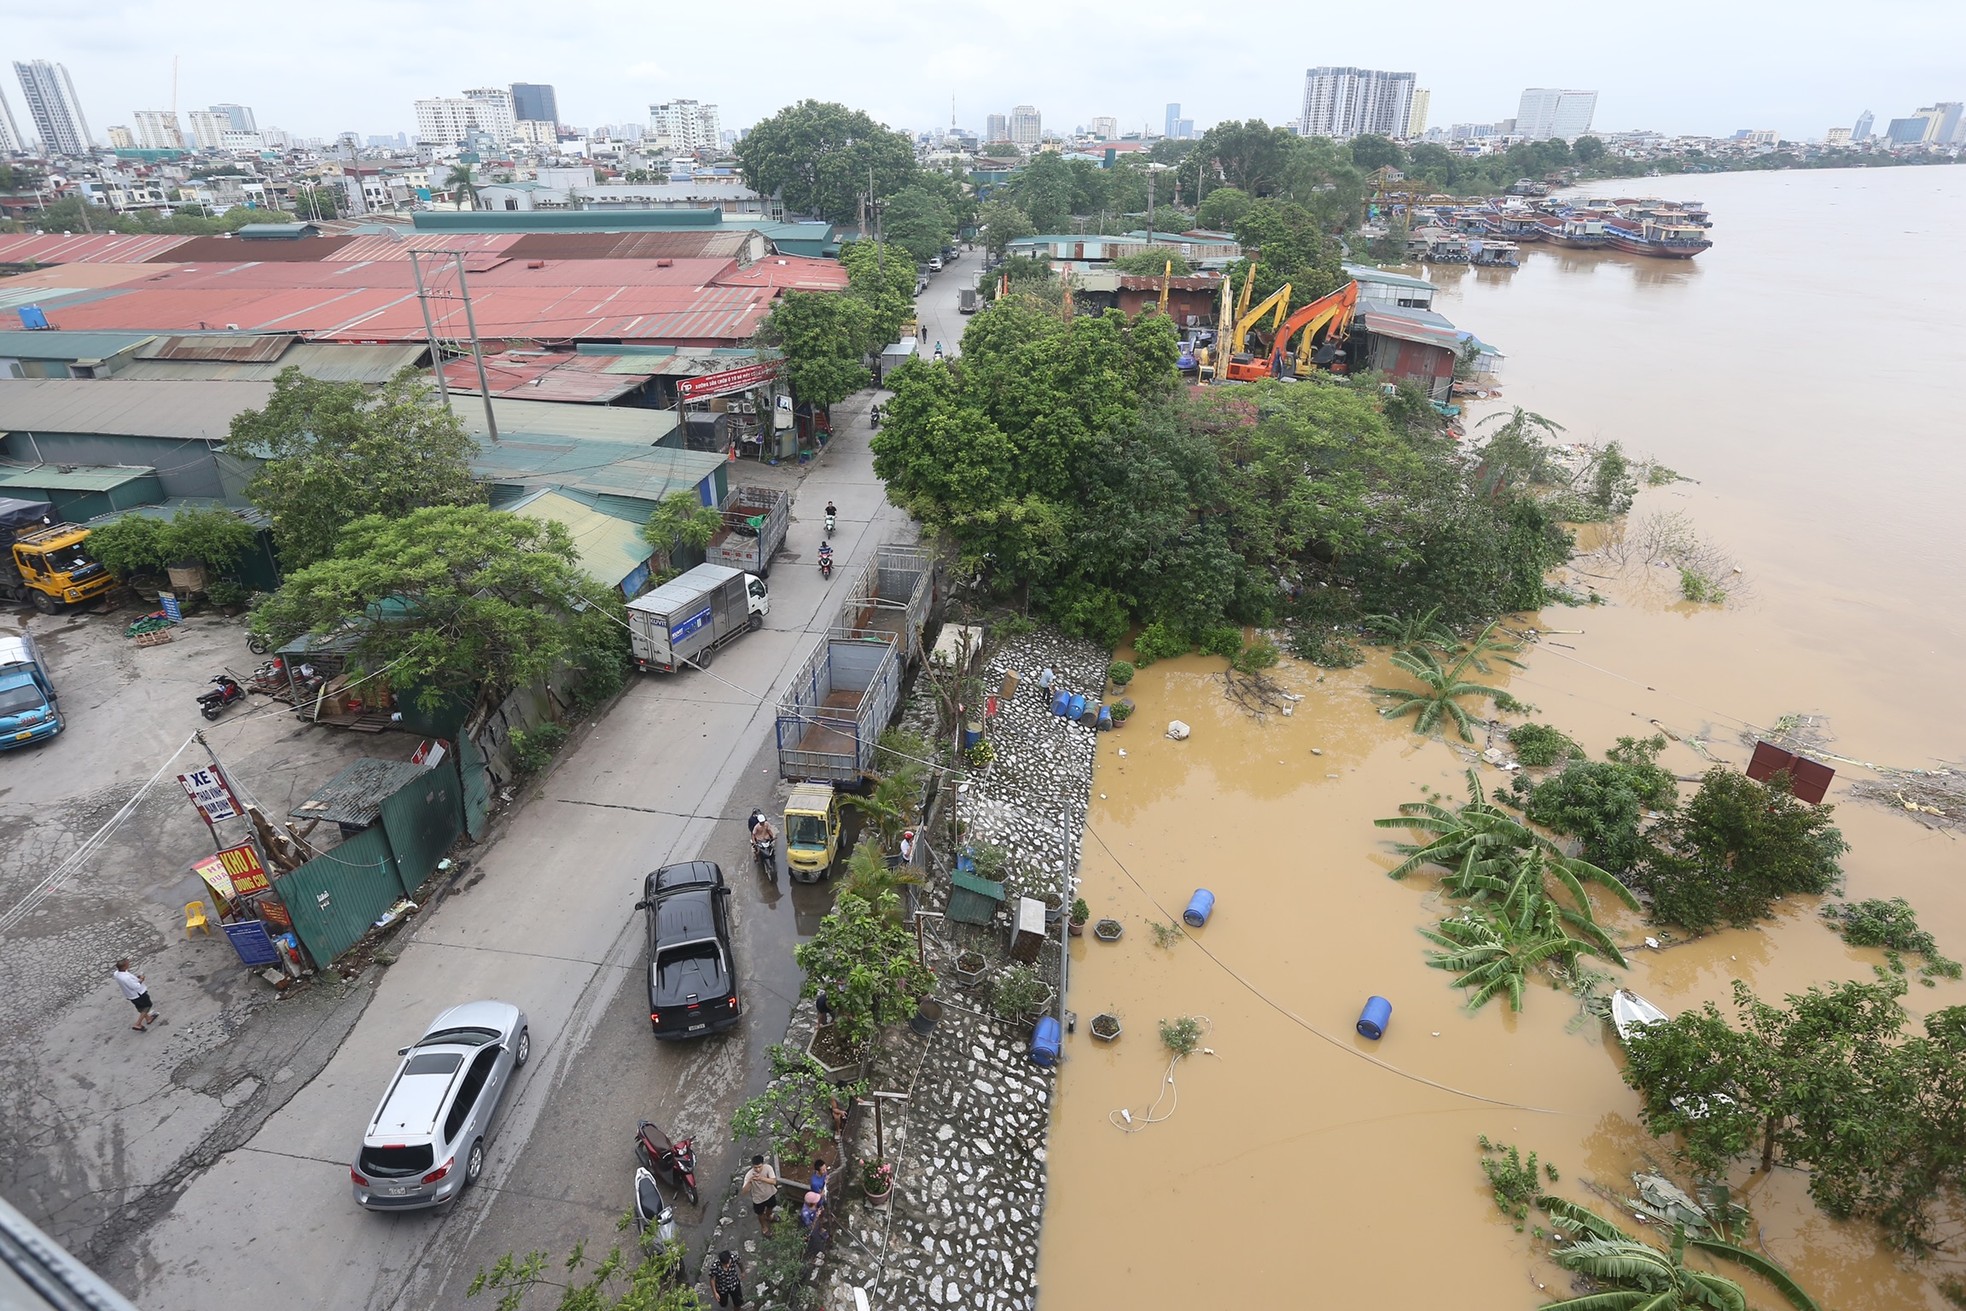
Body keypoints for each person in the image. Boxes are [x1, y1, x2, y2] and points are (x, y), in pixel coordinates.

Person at [113, 959, 158, 1032]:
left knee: (140, 1007)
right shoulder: (126, 978)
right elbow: (135, 986)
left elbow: (130, 982)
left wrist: (136, 978)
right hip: (138, 994)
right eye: (127, 964)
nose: (129, 964)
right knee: (147, 1005)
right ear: (124, 967)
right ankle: (138, 1024)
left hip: (129, 995)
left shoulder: (116, 974)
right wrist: (141, 979)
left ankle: (148, 1018)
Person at [741, 1155, 780, 1234]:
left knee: (770, 1207)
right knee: (760, 1214)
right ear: (752, 1166)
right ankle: (764, 1227)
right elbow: (744, 1192)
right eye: (755, 1167)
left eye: (759, 1167)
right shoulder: (749, 1175)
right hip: (758, 1199)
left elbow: (774, 1181)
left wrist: (761, 1178)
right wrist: (750, 1181)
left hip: (770, 1194)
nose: (758, 1169)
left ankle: (769, 1216)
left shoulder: (768, 1168)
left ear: (763, 1164)